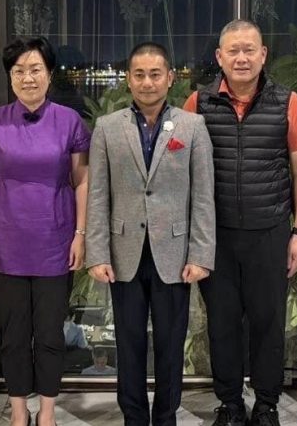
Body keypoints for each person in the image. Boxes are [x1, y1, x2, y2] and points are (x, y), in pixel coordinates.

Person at [182, 19, 297, 426]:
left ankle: (267, 404)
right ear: (219, 57)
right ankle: (230, 404)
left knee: (268, 322)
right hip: (215, 236)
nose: (241, 58)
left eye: (249, 50)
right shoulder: (198, 103)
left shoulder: (288, 102)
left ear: (263, 55)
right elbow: (180, 170)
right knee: (221, 324)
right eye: (233, 51)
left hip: (270, 232)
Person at [86, 42, 216, 426]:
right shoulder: (108, 127)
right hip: (123, 251)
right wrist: (97, 253)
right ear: (128, 79)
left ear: (170, 78)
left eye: (155, 74)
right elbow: (98, 195)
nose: (147, 82)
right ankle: (134, 417)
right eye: (139, 74)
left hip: (174, 254)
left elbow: (203, 195)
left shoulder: (192, 126)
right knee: (128, 344)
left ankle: (166, 417)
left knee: (171, 345)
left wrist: (201, 255)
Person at [0, 37, 90, 426]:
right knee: (13, 333)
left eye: (36, 69)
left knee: (51, 332)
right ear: (10, 77)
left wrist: (80, 234)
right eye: (19, 71)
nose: (28, 77)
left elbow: (82, 181)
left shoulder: (69, 121)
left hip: (56, 241)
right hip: (6, 243)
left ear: (49, 75)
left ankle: (48, 412)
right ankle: (20, 410)